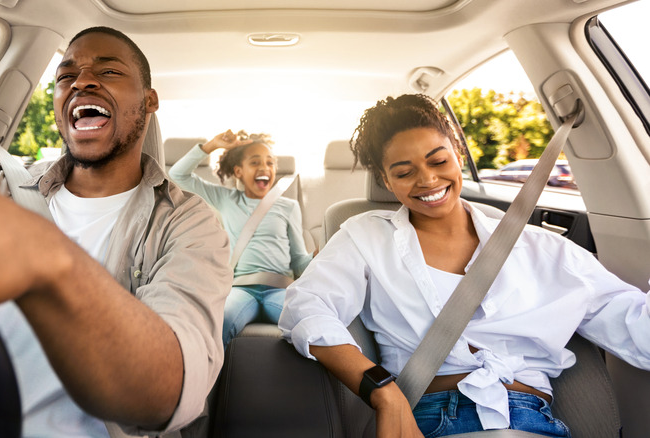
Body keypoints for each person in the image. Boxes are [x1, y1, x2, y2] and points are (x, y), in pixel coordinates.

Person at [0, 27, 232, 437]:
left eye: (109, 71)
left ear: (149, 101)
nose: (82, 81)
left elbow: (167, 392)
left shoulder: (188, 224)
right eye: (65, 76)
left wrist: (45, 259)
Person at [278, 94, 650, 437]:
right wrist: (383, 392)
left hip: (533, 420)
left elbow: (635, 326)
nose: (427, 180)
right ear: (385, 178)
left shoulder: (544, 248)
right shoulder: (366, 236)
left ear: (457, 152)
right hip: (429, 417)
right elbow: (306, 308)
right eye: (404, 172)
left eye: (438, 160)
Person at [169, 131, 313, 346]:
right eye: (255, 162)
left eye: (270, 163)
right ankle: (209, 379)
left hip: (279, 290)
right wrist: (212, 146)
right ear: (239, 171)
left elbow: (299, 260)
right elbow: (178, 175)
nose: (264, 168)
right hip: (241, 290)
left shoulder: (288, 207)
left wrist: (317, 259)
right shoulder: (226, 199)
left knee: (309, 321)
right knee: (220, 321)